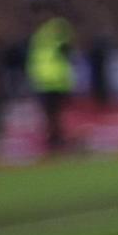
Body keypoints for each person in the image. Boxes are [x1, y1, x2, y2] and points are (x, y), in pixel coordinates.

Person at [23, 10, 76, 161]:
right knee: (54, 114)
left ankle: (54, 138)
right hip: (55, 82)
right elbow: (66, 49)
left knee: (51, 113)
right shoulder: (56, 32)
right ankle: (55, 138)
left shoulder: (39, 37)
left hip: (44, 82)